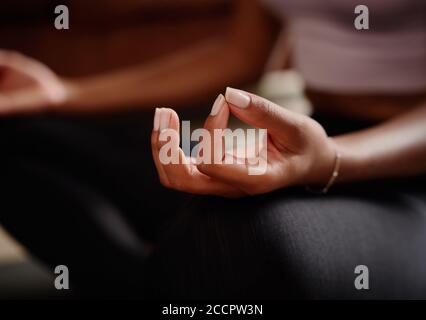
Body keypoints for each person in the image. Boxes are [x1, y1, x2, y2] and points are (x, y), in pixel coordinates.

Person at [1, 0, 425, 298]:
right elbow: (240, 51)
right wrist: (62, 93)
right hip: (315, 138)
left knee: (241, 238)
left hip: (406, 172)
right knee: (16, 135)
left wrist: (331, 159)